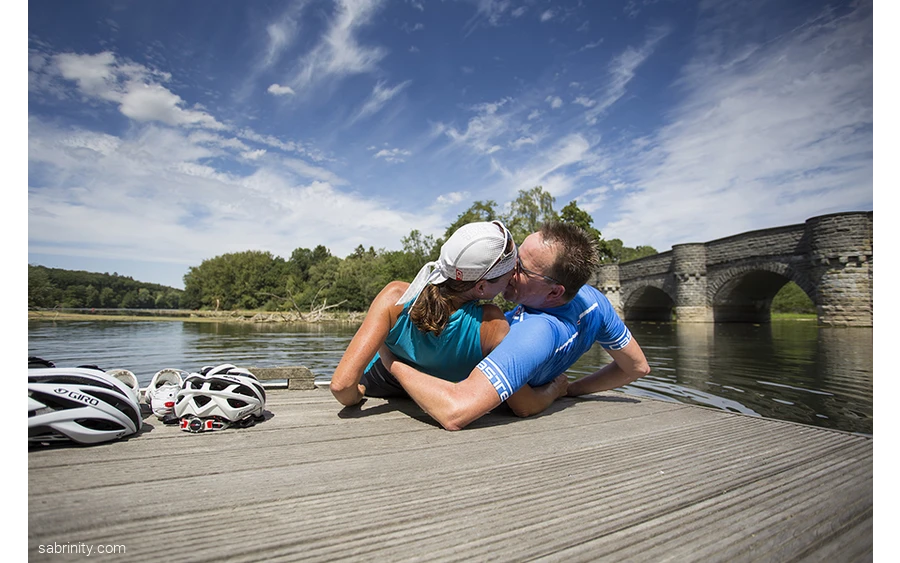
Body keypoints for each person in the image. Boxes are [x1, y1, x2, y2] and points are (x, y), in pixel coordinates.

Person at [378, 221, 651, 430]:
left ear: (554, 292)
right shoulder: (594, 301)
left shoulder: (534, 333)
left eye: (520, 268)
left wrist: (392, 363)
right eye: (515, 257)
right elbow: (636, 367)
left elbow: (455, 411)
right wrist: (570, 389)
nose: (508, 269)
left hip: (419, 375)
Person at [330, 220, 569, 415]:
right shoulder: (492, 325)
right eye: (509, 274)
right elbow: (525, 405)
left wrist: (358, 393)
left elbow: (342, 387)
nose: (514, 277)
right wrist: (555, 390)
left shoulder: (396, 297)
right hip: (436, 397)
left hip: (379, 384)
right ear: (482, 288)